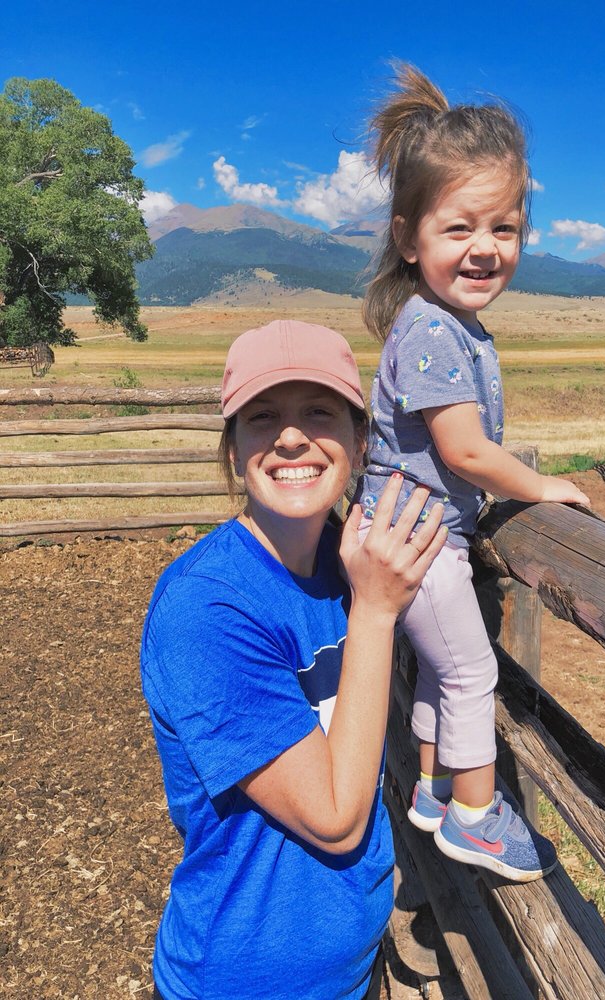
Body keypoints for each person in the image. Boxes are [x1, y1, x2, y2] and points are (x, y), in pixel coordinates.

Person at [140, 319, 446, 1000]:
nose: (290, 437)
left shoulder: (352, 560)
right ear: (234, 450)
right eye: (263, 417)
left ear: (361, 441)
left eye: (318, 412)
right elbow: (334, 819)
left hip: (346, 971)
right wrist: (374, 611)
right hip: (243, 980)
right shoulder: (208, 609)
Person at [355, 63, 591, 881]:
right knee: (470, 667)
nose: (486, 248)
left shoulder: (448, 325)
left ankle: (430, 788)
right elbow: (461, 451)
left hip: (412, 533)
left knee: (443, 663)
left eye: (506, 227)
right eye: (460, 229)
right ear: (408, 236)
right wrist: (539, 485)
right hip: (415, 538)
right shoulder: (430, 331)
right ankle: (475, 814)